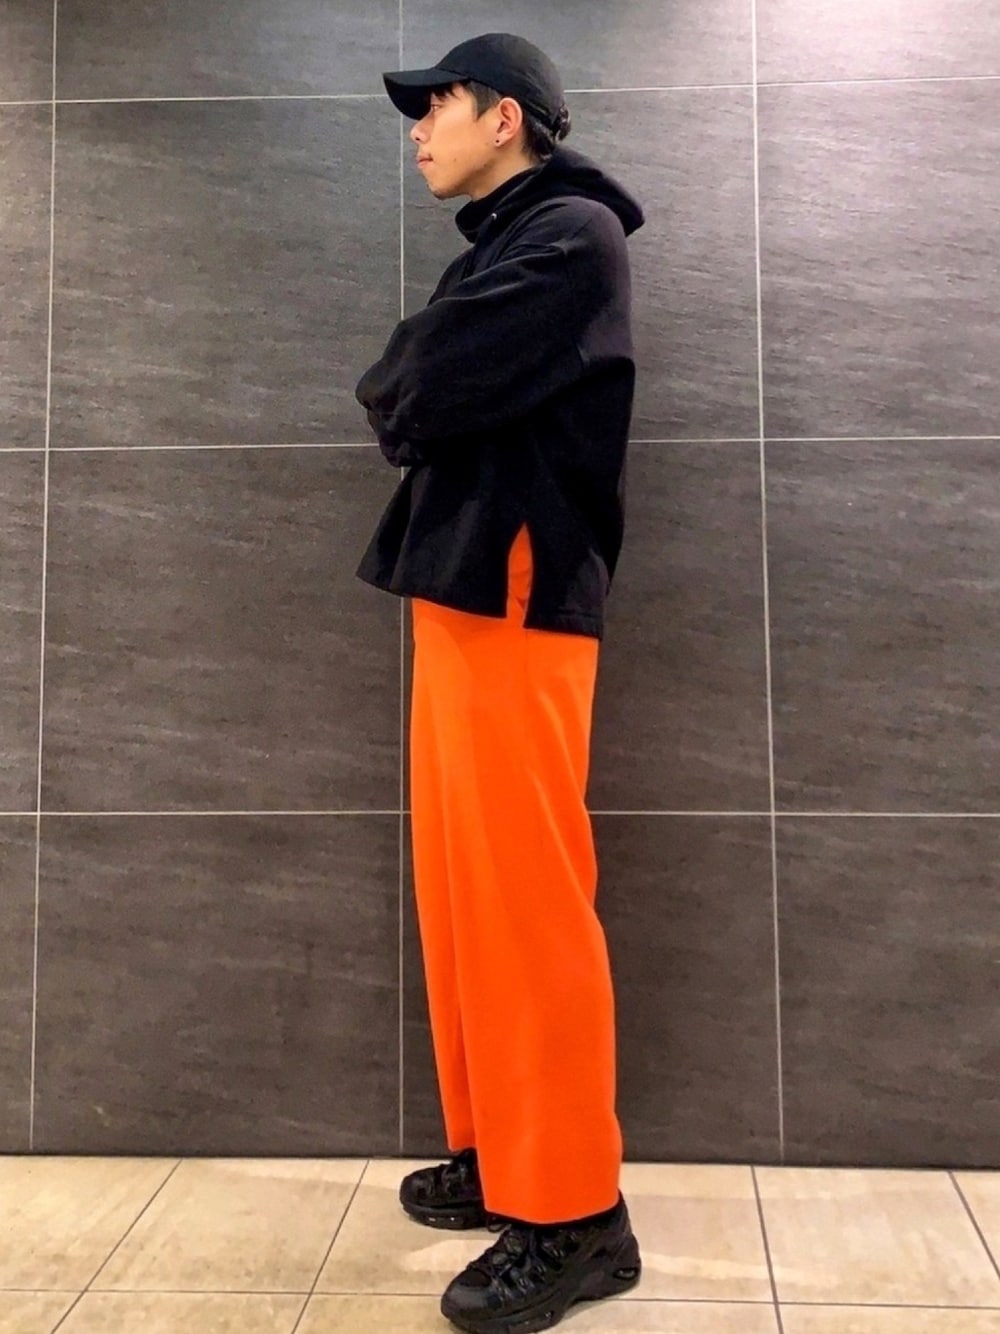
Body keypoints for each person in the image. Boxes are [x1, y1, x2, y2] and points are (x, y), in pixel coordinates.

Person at [354, 32, 645, 1334]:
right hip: (472, 590)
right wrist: (417, 382)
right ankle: (505, 1153)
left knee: (527, 900)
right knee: (468, 892)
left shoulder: (572, 233)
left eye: (436, 106)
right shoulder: (510, 244)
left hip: (521, 591)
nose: (419, 130)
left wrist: (411, 379)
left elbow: (414, 379)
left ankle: (577, 1214)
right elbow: (423, 384)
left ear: (508, 117)